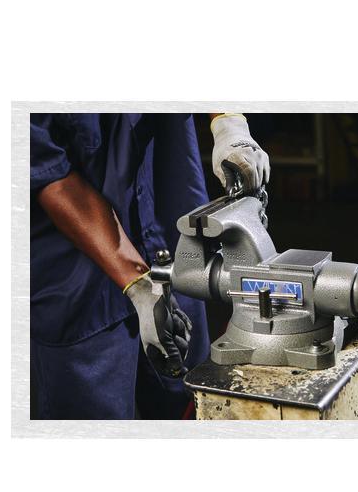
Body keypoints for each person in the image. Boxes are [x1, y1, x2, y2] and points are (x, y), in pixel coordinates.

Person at [30, 113, 270, 419]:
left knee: (190, 403)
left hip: (173, 240)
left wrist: (228, 122)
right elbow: (51, 175)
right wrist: (139, 285)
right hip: (79, 281)